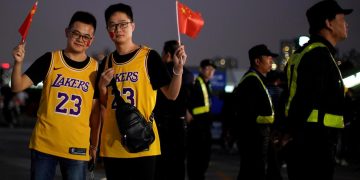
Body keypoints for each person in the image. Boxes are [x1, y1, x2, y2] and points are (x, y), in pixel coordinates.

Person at [97, 3, 187, 180]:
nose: (118, 29)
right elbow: (103, 104)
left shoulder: (148, 56)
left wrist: (178, 70)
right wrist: (101, 86)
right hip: (112, 144)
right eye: (112, 25)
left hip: (143, 142)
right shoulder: (105, 62)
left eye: (123, 24)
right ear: (108, 29)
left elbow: (171, 94)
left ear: (133, 26)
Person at [11, 11, 100, 180]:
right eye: (76, 33)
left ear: (91, 40)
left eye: (86, 36)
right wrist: (18, 62)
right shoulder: (50, 59)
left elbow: (95, 113)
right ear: (67, 32)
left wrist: (94, 145)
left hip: (77, 147)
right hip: (45, 144)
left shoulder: (96, 69)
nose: (81, 39)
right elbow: (17, 86)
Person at [283, 1, 352, 180]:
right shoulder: (318, 56)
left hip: (307, 142)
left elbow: (290, 95)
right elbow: (305, 99)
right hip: (315, 145)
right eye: (342, 19)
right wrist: (289, 132)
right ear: (328, 23)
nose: (346, 24)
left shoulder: (304, 53)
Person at [232, 44, 279, 180]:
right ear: (257, 61)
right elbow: (247, 115)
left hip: (260, 136)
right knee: (252, 173)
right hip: (254, 139)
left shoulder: (257, 79)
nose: (271, 61)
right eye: (268, 58)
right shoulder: (251, 81)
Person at [154, 40, 194, 180]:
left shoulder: (160, 71)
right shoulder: (188, 74)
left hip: (162, 125)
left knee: (161, 167)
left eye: (163, 53)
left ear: (168, 54)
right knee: (178, 166)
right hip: (180, 125)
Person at [187, 59, 216, 180]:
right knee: (196, 158)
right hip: (196, 127)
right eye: (208, 68)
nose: (210, 71)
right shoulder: (196, 82)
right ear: (201, 69)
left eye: (212, 69)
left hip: (205, 127)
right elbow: (186, 99)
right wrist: (187, 112)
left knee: (205, 157)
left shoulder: (207, 84)